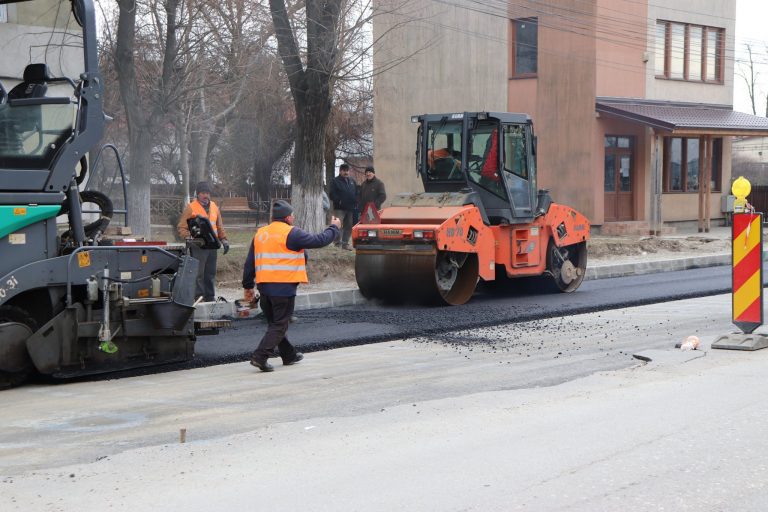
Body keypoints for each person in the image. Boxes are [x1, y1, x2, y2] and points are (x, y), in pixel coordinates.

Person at [242, 200, 341, 372]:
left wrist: (248, 286)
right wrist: (334, 228)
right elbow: (319, 240)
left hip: (264, 288)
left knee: (275, 323)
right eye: (293, 215)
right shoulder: (291, 233)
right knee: (280, 325)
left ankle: (289, 355)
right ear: (287, 217)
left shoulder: (261, 233)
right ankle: (260, 356)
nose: (294, 218)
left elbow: (250, 262)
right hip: (283, 288)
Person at [177, 181, 229, 302]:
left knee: (210, 273)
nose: (206, 195)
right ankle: (199, 298)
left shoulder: (214, 207)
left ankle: (210, 297)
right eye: (203, 193)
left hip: (212, 245)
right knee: (199, 274)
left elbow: (219, 226)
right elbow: (181, 227)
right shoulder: (191, 207)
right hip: (198, 246)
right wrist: (189, 237)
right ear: (198, 194)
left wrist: (224, 240)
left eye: (208, 193)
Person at [328, 163, 357, 250]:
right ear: (340, 171)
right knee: (338, 225)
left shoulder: (352, 181)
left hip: (350, 208)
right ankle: (337, 243)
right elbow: (332, 194)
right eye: (344, 171)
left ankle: (345, 244)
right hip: (339, 208)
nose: (346, 172)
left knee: (348, 226)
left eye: (347, 171)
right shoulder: (335, 181)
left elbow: (356, 192)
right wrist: (339, 201)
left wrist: (355, 201)